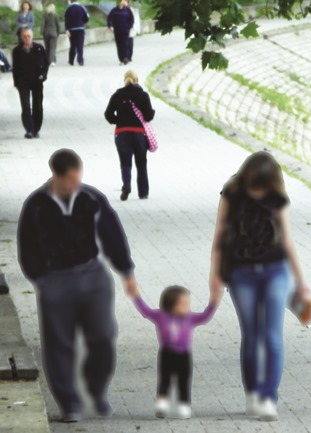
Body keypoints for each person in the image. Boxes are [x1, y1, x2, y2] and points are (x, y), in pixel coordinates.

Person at [17, 149, 138, 423]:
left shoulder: (91, 198)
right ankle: (69, 402)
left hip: (92, 275)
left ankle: (97, 391)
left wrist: (126, 271)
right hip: (54, 279)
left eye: (78, 177)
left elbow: (112, 233)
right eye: (70, 179)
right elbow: (27, 246)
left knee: (104, 335)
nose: (76, 183)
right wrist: (40, 279)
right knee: (59, 342)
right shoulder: (36, 204)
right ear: (56, 176)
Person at [209, 151, 311, 421]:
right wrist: (215, 275)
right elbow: (220, 233)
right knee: (252, 335)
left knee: (272, 336)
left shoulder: (277, 196)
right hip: (241, 272)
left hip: (275, 271)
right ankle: (253, 394)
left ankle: (269, 397)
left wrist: (301, 283)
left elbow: (287, 239)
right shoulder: (231, 192)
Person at [128, 284, 220, 419]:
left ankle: (184, 404)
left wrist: (213, 302)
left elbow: (205, 317)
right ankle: (162, 402)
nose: (188, 307)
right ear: (171, 305)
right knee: (164, 379)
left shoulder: (190, 317)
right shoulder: (160, 316)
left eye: (188, 304)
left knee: (184, 380)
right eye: (184, 304)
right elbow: (145, 311)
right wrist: (135, 296)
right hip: (166, 354)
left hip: (184, 355)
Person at [103, 70, 155, 201]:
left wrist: (118, 121)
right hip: (139, 133)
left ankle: (126, 185)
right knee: (141, 163)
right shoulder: (143, 95)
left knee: (125, 162)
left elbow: (108, 114)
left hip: (121, 133)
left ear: (124, 80)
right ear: (137, 80)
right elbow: (148, 116)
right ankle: (143, 192)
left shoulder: (117, 95)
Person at [12, 28, 48, 139]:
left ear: (32, 37)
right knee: (26, 106)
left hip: (37, 81)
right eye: (25, 36)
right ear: (22, 38)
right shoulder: (17, 51)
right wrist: (17, 82)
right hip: (23, 82)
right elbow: (15, 68)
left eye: (29, 36)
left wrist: (43, 75)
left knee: (37, 105)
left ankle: (36, 128)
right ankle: (29, 129)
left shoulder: (39, 48)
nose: (27, 38)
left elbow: (45, 63)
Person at [107, 0, 135, 65]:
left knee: (125, 44)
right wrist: (110, 26)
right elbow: (109, 19)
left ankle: (125, 58)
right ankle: (121, 59)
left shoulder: (127, 10)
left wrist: (129, 27)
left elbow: (132, 19)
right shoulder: (114, 10)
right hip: (117, 30)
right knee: (119, 45)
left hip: (125, 30)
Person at [64, 0, 89, 66]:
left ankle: (71, 60)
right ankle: (80, 60)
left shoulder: (68, 9)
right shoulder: (82, 8)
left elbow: (66, 20)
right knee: (80, 45)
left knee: (73, 45)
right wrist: (82, 22)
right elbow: (87, 18)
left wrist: (67, 29)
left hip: (71, 29)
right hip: (80, 28)